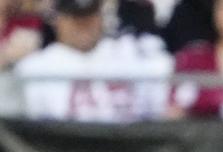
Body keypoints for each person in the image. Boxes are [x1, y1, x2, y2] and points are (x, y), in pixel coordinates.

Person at [14, 0, 172, 122]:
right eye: (76, 19)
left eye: (89, 17)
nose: (84, 26)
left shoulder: (129, 54)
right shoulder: (34, 68)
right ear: (58, 20)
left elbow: (165, 103)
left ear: (101, 17)